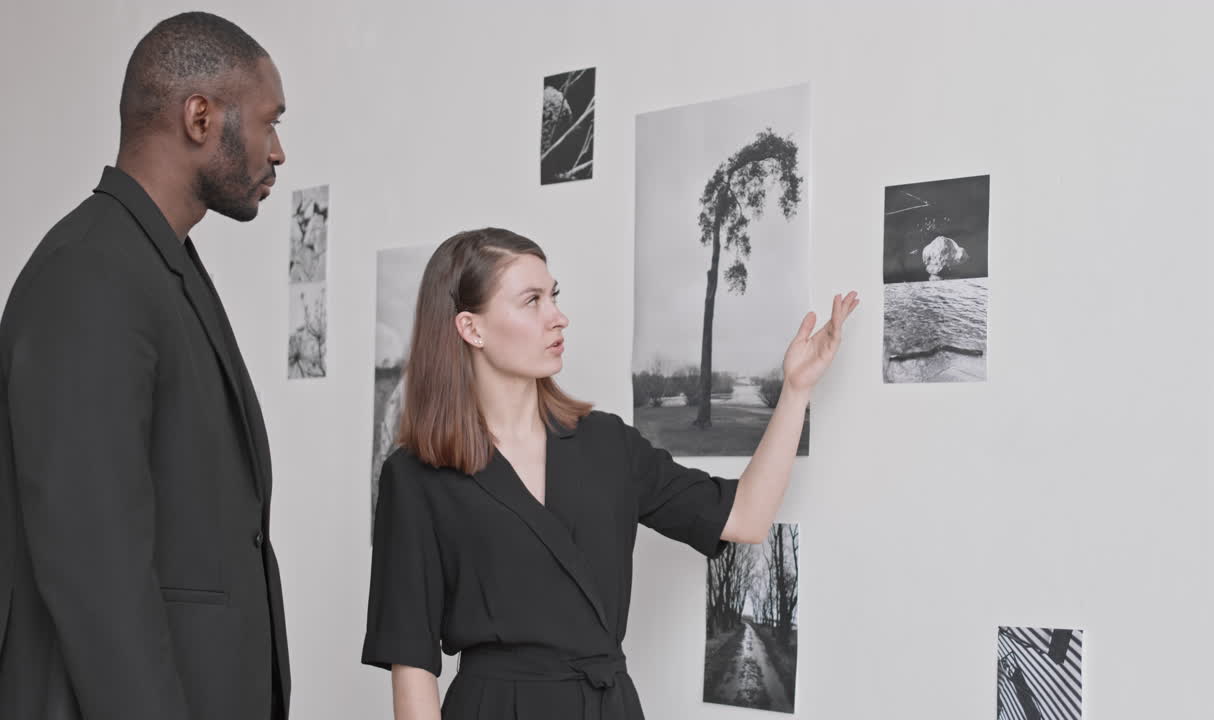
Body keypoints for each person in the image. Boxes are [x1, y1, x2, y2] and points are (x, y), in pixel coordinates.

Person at [361, 228, 859, 719]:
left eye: (553, 296)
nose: (559, 317)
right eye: (531, 301)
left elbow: (746, 516)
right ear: (472, 328)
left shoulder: (607, 444)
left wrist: (796, 390)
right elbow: (413, 670)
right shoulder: (415, 476)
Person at [0, 12, 290, 719]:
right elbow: (93, 566)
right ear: (200, 117)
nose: (277, 150)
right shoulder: (90, 272)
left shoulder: (154, 264)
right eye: (267, 121)